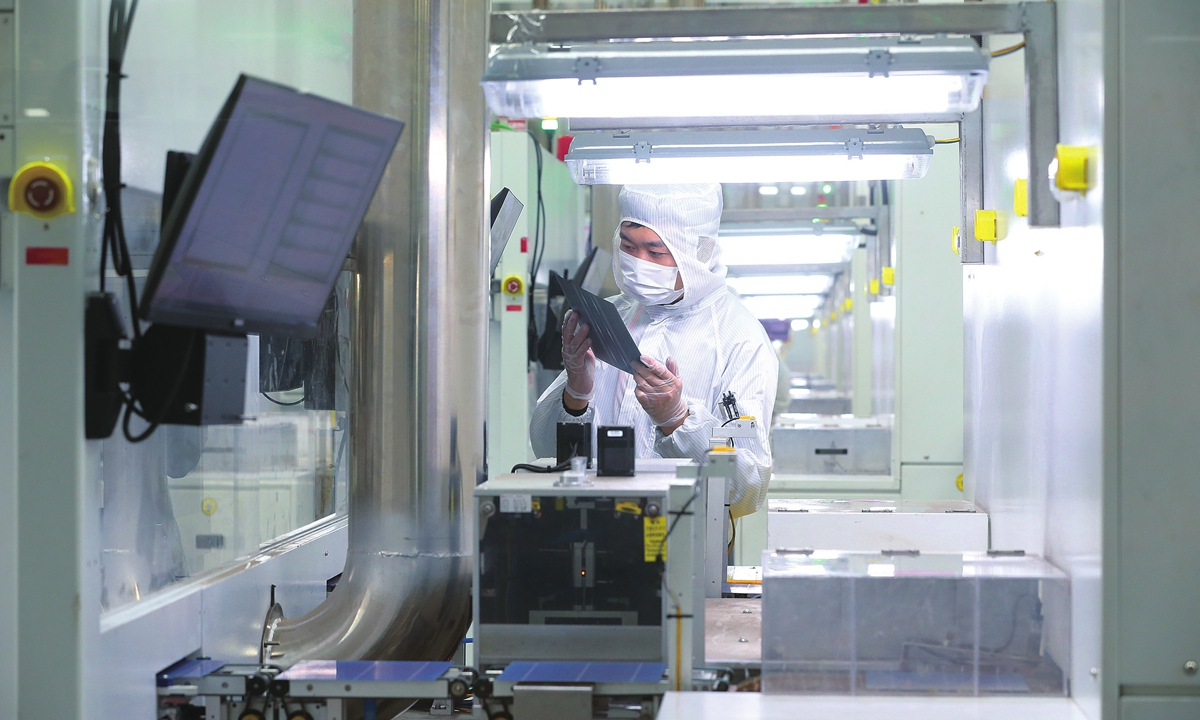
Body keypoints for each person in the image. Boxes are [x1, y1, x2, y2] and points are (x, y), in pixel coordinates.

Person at [530, 184, 778, 518]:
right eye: (629, 246)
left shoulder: (739, 338)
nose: (638, 262)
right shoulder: (609, 317)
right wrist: (576, 394)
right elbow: (546, 452)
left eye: (655, 252)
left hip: (685, 541)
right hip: (591, 531)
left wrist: (678, 420)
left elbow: (746, 490)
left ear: (699, 252)